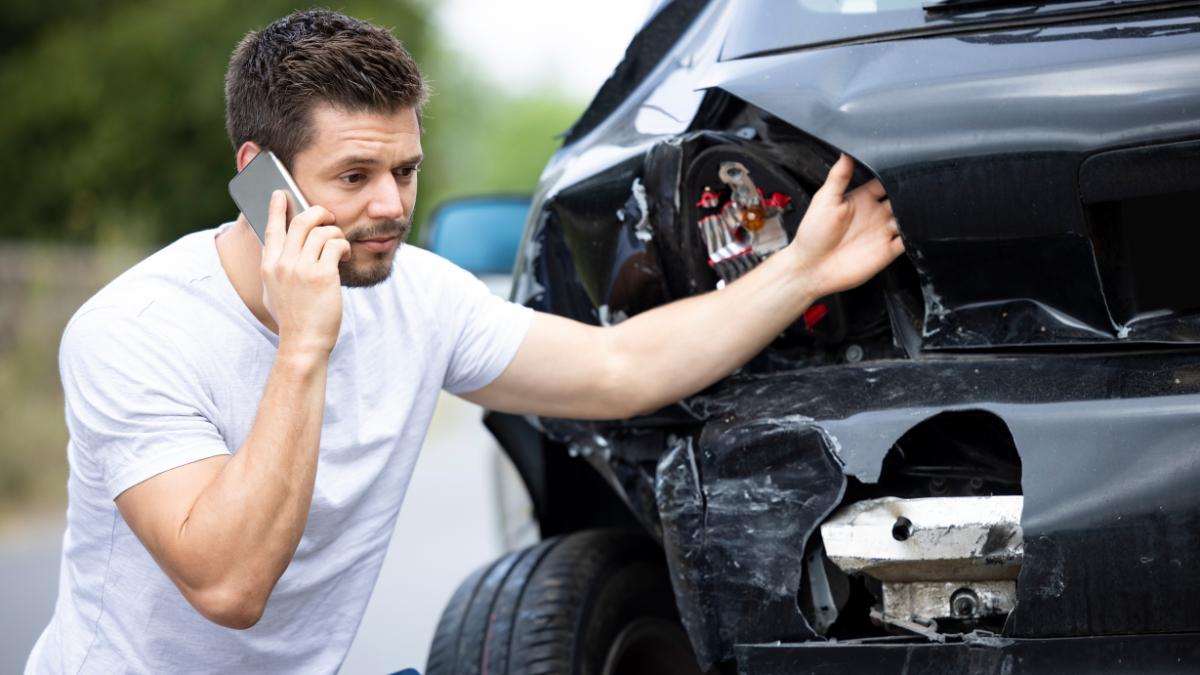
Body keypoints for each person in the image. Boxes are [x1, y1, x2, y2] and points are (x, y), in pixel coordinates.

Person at [26, 9, 903, 674]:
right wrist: (304, 348)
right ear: (262, 179)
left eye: (404, 170)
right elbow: (229, 585)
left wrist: (805, 271)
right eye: (354, 176)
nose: (391, 207)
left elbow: (620, 367)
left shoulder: (421, 298)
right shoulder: (131, 332)